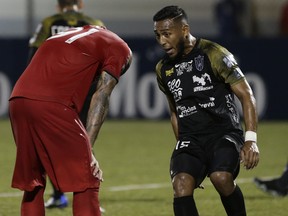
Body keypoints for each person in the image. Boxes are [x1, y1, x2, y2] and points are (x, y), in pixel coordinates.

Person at [9, 25, 132, 216]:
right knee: (88, 177)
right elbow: (102, 95)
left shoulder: (67, 35)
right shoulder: (121, 48)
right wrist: (88, 150)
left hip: (17, 100)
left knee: (34, 183)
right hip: (52, 104)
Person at [153, 5, 259, 216]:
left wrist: (251, 140)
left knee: (221, 177)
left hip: (224, 134)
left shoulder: (214, 54)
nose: (162, 41)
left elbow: (246, 95)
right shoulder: (163, 69)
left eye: (167, 34)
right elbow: (175, 112)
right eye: (158, 35)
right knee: (181, 184)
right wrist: (182, 149)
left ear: (184, 30)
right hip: (191, 139)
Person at [27, 0, 104, 209]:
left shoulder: (49, 23)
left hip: (55, 92)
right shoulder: (94, 23)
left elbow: (34, 55)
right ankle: (90, 195)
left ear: (59, 6)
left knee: (51, 141)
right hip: (84, 90)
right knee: (85, 139)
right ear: (81, 4)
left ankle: (58, 194)